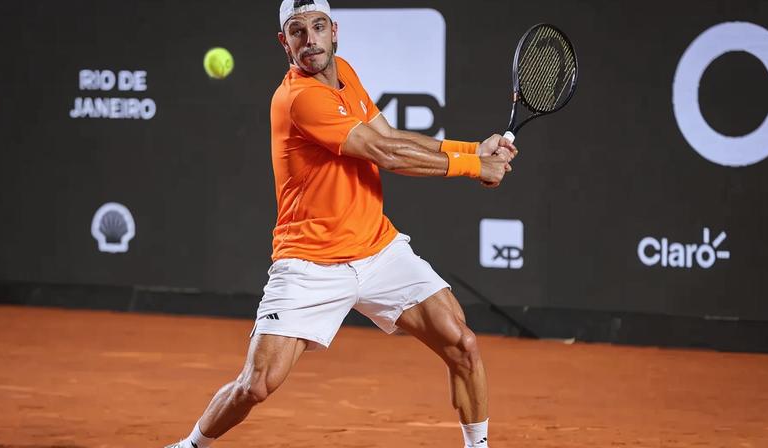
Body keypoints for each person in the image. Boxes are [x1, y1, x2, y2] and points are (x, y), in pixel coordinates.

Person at [165, 0, 517, 447]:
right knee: (255, 384)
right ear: (284, 42)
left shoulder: (344, 72)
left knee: (461, 343)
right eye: (296, 31)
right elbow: (385, 154)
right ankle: (191, 445)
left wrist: (472, 150)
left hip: (377, 249)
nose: (308, 39)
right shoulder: (300, 98)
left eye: (316, 27)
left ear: (334, 31)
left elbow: (388, 136)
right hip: (310, 262)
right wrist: (472, 169)